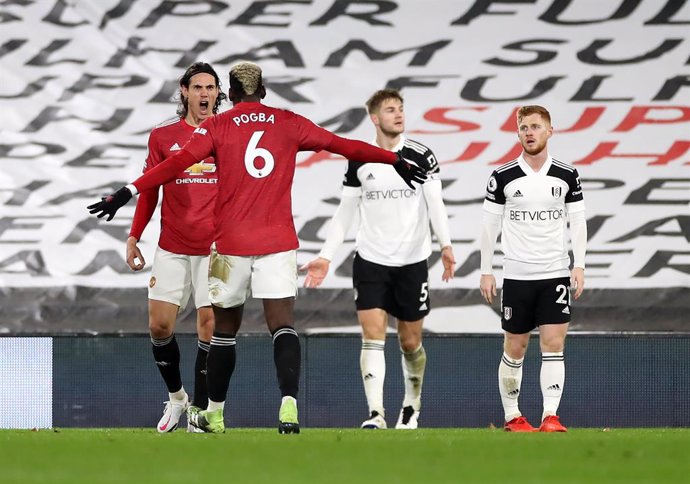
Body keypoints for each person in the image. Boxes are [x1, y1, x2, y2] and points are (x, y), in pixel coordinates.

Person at [87, 61, 426, 434]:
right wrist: (394, 158)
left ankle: (213, 413)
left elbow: (178, 162)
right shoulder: (288, 121)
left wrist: (125, 192)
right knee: (282, 326)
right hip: (277, 243)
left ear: (228, 95)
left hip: (229, 246)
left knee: (221, 332)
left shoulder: (216, 126)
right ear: (263, 91)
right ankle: (289, 407)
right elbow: (342, 145)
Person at [301, 89, 455, 430]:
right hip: (370, 260)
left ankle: (411, 406)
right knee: (372, 336)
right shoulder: (360, 159)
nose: (399, 114)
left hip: (412, 261)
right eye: (390, 110)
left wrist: (445, 244)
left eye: (401, 109)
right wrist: (326, 257)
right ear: (375, 118)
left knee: (410, 341)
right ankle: (376, 414)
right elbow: (344, 213)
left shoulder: (420, 155)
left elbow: (436, 203)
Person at [127, 62, 225, 433]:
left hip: (216, 249)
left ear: (219, 94)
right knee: (159, 326)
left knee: (209, 325)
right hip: (173, 245)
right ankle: (177, 398)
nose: (204, 94)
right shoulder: (162, 136)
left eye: (211, 88)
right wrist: (134, 235)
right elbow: (149, 188)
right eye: (197, 87)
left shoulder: (227, 134)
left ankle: (199, 411)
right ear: (184, 91)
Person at [479, 105, 587, 432]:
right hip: (517, 275)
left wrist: (579, 264)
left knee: (553, 344)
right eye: (524, 127)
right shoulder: (503, 176)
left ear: (549, 131)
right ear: (518, 133)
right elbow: (489, 226)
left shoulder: (567, 175)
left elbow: (577, 221)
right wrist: (486, 269)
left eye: (536, 127)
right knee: (516, 347)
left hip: (554, 271)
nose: (530, 132)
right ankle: (513, 416)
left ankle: (550, 416)